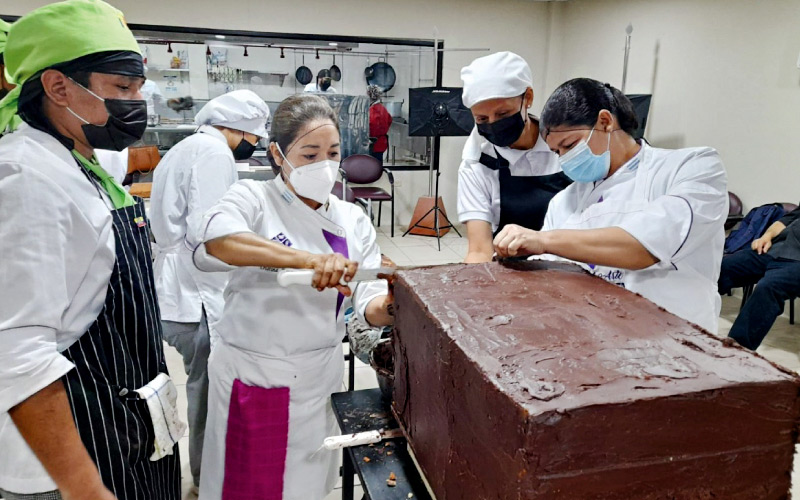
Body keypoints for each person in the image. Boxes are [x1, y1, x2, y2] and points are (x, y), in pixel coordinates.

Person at [0, 1, 181, 499]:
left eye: (139, 89)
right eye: (121, 88)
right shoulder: (27, 178)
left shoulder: (81, 162)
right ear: (59, 87)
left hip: (124, 413)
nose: (136, 102)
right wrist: (85, 489)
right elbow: (17, 353)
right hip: (77, 442)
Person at [194, 94, 394, 500]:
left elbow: (369, 300)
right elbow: (217, 240)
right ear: (277, 153)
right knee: (250, 486)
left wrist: (393, 305)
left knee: (306, 482)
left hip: (318, 374)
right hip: (257, 375)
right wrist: (307, 261)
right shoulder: (254, 199)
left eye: (333, 152)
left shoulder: (351, 218)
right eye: (309, 153)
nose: (324, 164)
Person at [494, 78, 728, 333]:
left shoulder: (690, 168)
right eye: (557, 152)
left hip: (676, 340)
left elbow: (643, 248)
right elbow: (550, 271)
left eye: (570, 146)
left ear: (605, 122)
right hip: (594, 338)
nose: (564, 160)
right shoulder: (565, 200)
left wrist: (543, 240)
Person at [149, 88, 270, 491]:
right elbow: (214, 236)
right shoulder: (215, 154)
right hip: (194, 293)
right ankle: (207, 479)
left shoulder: (188, 147)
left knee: (202, 385)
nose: (253, 146)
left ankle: (207, 472)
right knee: (206, 391)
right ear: (239, 129)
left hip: (174, 287)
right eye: (254, 138)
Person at [457, 52, 572, 264]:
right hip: (510, 273)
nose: (493, 124)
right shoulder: (477, 160)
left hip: (572, 262)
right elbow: (480, 250)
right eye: (481, 118)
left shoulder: (566, 144)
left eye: (502, 114)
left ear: (527, 98)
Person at [718, 204, 800, 349]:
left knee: (769, 287)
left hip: (796, 262)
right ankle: (684, 319)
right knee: (722, 267)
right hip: (776, 249)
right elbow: (786, 220)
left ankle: (737, 350)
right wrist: (766, 236)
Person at [367, 84, 392, 163]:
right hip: (381, 142)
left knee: (373, 168)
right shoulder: (382, 108)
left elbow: (372, 125)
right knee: (378, 166)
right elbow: (389, 120)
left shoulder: (373, 110)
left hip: (374, 144)